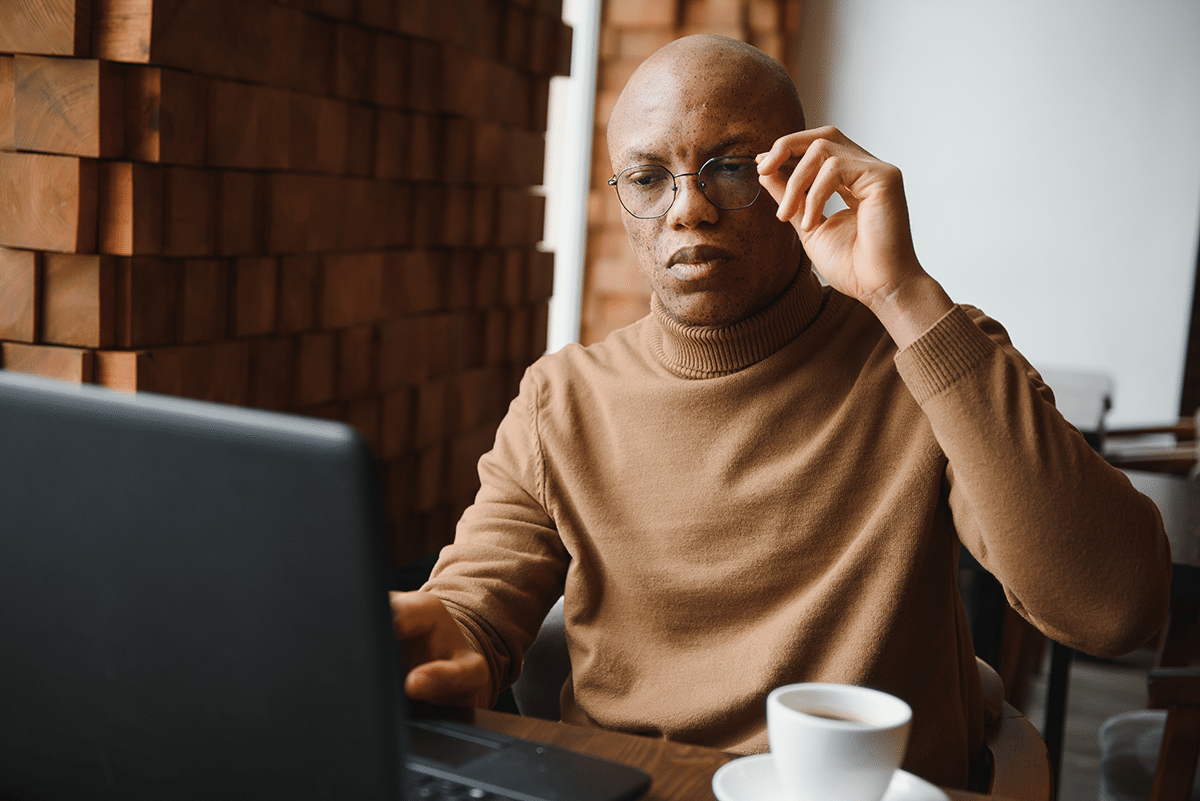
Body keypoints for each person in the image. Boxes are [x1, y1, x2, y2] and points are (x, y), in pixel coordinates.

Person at [390, 34, 1171, 789]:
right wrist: (436, 638)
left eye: (728, 167)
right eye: (648, 176)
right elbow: (472, 614)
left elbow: (1115, 609)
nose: (687, 207)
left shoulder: (929, 356)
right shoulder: (563, 399)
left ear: (797, 173)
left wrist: (902, 293)